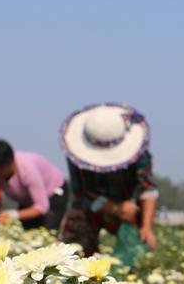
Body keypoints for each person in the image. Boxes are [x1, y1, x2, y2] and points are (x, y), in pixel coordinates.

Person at [59, 103, 159, 256]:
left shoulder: (140, 154)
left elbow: (148, 188)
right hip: (93, 203)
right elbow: (82, 192)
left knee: (139, 245)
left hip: (129, 205)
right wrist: (113, 208)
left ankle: (133, 268)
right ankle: (81, 268)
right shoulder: (77, 157)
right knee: (75, 238)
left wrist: (147, 226)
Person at [0, 139, 68, 230]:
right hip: (28, 201)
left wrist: (14, 215)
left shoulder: (27, 170)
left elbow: (42, 206)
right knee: (24, 230)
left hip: (53, 193)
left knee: (49, 230)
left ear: (10, 162)